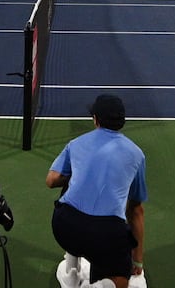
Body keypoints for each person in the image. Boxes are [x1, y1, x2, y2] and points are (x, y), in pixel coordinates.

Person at [46, 93, 148, 288]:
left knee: (69, 182)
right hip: (106, 237)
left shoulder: (75, 143)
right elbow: (136, 211)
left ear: (96, 120)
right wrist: (137, 261)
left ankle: (71, 271)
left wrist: (80, 174)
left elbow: (51, 180)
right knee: (119, 281)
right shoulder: (137, 155)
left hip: (64, 228)